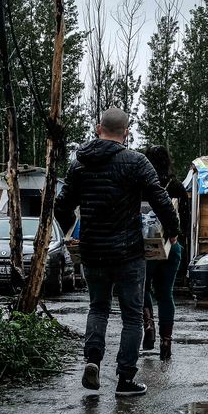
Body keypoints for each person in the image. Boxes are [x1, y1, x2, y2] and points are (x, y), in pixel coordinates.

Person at [55, 108, 180, 397]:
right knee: (132, 316)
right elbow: (160, 199)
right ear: (126, 133)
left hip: (93, 251)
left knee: (98, 308)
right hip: (128, 253)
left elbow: (61, 206)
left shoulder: (79, 164)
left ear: (99, 129)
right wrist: (172, 230)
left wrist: (72, 226)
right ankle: (125, 379)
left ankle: (92, 360)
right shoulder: (136, 162)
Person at [141, 145, 191, 360]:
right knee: (166, 294)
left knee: (142, 287)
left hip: (145, 246)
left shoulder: (141, 185)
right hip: (172, 246)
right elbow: (185, 221)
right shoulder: (177, 186)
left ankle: (148, 324)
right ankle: (166, 342)